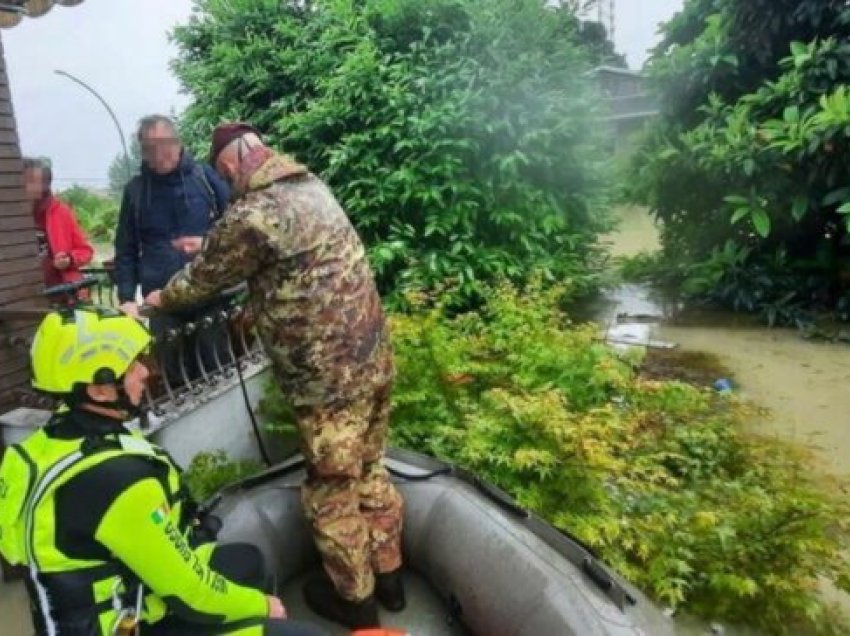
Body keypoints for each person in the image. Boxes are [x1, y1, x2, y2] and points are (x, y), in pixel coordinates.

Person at [145, 123, 405, 629]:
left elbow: (201, 280)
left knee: (331, 491)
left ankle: (358, 605)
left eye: (225, 176)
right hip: (374, 362)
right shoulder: (313, 188)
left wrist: (156, 299)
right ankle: (392, 582)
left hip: (327, 383)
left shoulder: (252, 213)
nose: (228, 185)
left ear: (232, 165)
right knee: (372, 471)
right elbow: (277, 248)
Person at [0, 305, 327, 636]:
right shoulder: (117, 481)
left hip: (96, 610)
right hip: (128, 625)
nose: (145, 372)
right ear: (99, 389)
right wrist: (260, 606)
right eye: (131, 367)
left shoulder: (51, 443)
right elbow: (193, 595)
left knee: (246, 562)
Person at [113, 115, 231, 386]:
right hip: (162, 302)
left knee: (217, 373)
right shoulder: (136, 191)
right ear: (142, 150)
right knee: (172, 380)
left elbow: (237, 228)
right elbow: (126, 250)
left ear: (178, 144)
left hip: (209, 296)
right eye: (149, 148)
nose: (158, 154)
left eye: (164, 145)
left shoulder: (205, 178)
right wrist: (126, 297)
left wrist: (206, 243)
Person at [24, 157, 94, 300]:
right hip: (23, 295)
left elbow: (85, 250)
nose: (38, 187)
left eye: (39, 181)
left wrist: (69, 260)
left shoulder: (60, 211)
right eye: (30, 181)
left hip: (62, 293)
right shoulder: (10, 217)